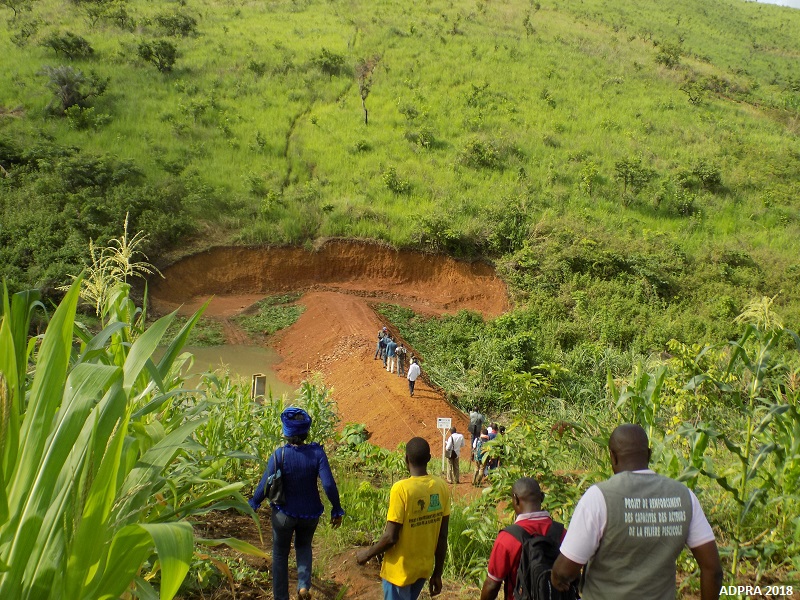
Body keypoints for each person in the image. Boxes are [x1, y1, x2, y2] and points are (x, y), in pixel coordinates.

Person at [551, 424, 723, 600]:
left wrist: (558, 578)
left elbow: (565, 570)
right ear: (649, 454)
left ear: (613, 456)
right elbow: (713, 570)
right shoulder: (684, 496)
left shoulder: (599, 497)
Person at [249, 407, 345, 600]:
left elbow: (265, 484)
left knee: (280, 554)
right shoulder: (317, 453)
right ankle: (303, 586)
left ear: (286, 432)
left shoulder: (279, 455)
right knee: (303, 547)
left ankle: (281, 597)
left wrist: (253, 503)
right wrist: (336, 508)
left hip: (284, 513)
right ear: (306, 431)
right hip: (310, 514)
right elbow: (328, 484)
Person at [356, 437, 451, 600]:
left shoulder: (401, 489)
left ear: (406, 458)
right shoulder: (441, 487)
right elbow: (442, 536)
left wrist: (366, 554)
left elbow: (391, 537)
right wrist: (438, 573)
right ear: (429, 458)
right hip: (422, 569)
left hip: (399, 572)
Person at [480, 477, 563, 600]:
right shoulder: (562, 532)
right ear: (542, 497)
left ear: (516, 500)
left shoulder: (507, 538)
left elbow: (492, 585)